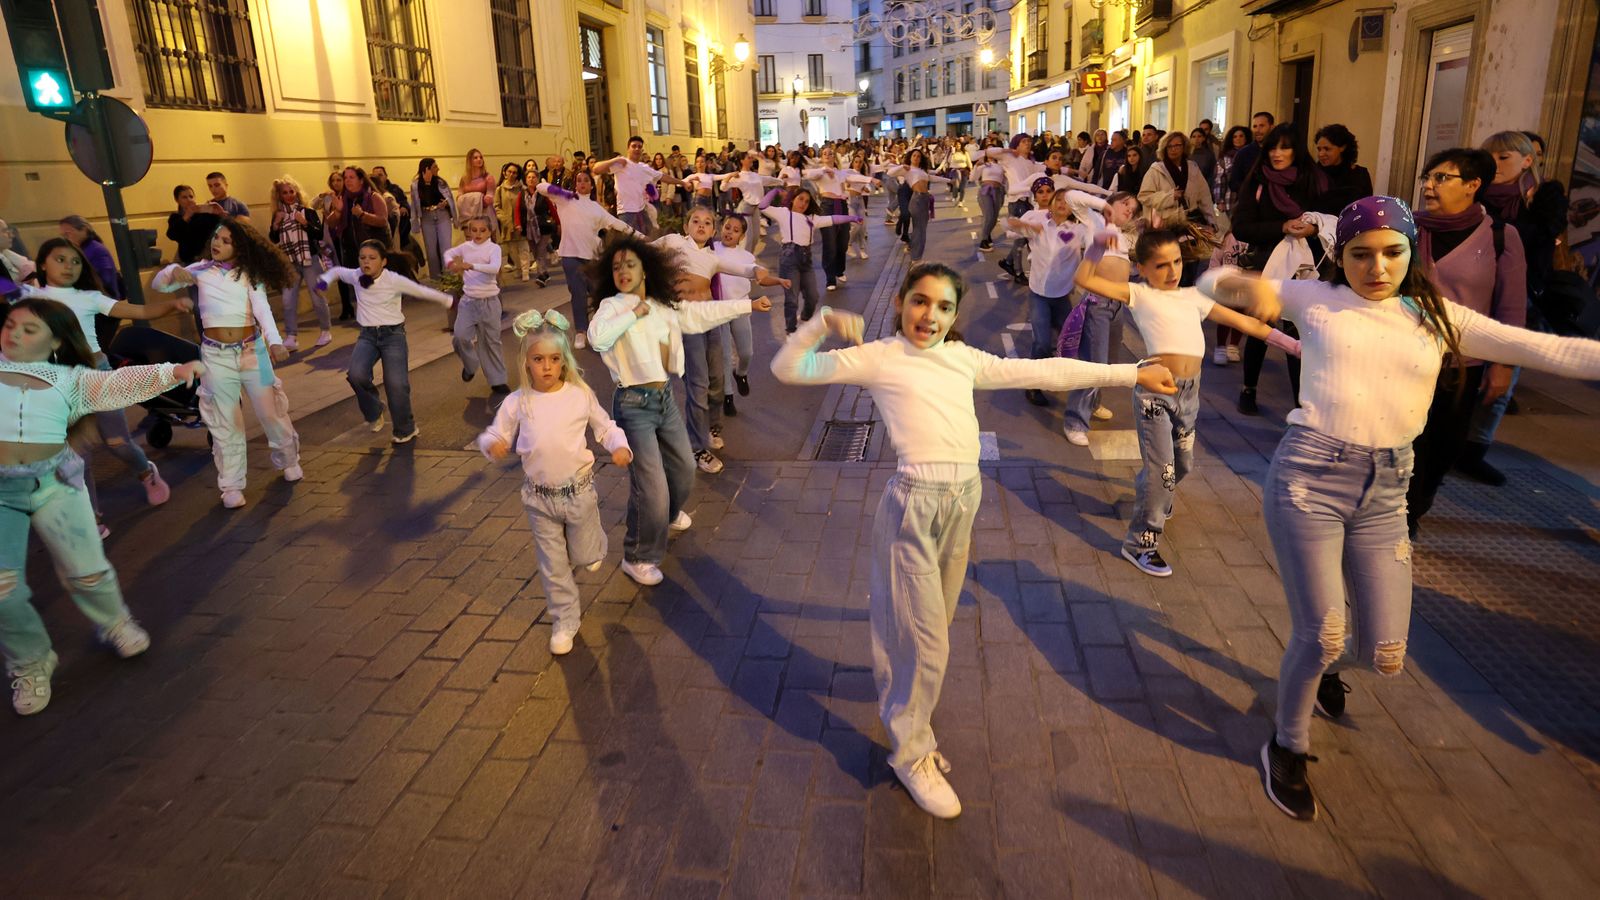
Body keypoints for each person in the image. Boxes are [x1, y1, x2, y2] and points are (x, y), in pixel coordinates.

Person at [1200, 196, 1600, 822]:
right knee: (1324, 629)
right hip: (1310, 479)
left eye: (1392, 252)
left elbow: (1544, 350)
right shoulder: (1317, 299)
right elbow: (1220, 285)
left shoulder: (1438, 316)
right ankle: (1287, 743)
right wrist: (1226, 279)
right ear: (1343, 255)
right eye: (1361, 254)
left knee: (1385, 651)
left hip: (1388, 492)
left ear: (1412, 253)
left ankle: (1321, 672)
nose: (1377, 266)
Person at [771, 262, 1177, 819]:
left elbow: (1048, 369)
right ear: (900, 304)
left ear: (955, 315)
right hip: (913, 507)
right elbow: (788, 368)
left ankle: (909, 718)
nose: (928, 315)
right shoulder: (881, 356)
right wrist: (820, 322)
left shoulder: (964, 359)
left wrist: (1132, 374)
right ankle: (910, 752)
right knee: (926, 644)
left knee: (926, 631)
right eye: (919, 301)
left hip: (963, 504)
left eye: (942, 307)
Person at [0, 297, 206, 715]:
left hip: (54, 486)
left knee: (89, 573)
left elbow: (119, 384)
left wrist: (175, 371)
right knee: (2, 590)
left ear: (56, 340)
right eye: (9, 324)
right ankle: (30, 662)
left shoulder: (72, 379)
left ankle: (114, 622)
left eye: (29, 329)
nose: (13, 333)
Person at [1075, 230, 1296, 576]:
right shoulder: (1139, 293)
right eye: (1161, 265)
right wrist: (1097, 248)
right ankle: (1140, 544)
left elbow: (1246, 322)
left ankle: (1152, 492)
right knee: (1163, 476)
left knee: (1183, 465)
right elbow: (1084, 279)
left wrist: (1297, 347)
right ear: (1143, 269)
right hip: (1154, 394)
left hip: (1189, 394)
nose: (1172, 270)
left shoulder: (1194, 296)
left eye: (1177, 261)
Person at [586, 234, 770, 587]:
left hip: (664, 400)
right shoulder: (611, 307)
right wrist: (631, 313)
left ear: (645, 270)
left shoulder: (660, 304)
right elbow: (598, 339)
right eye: (617, 266)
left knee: (685, 470)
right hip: (632, 405)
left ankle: (666, 516)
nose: (624, 270)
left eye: (631, 264)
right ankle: (637, 556)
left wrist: (748, 306)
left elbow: (698, 314)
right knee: (650, 485)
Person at [480, 309, 631, 656]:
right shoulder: (518, 402)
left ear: (563, 361)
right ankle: (565, 620)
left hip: (579, 494)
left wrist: (619, 446)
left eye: (553, 359)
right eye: (538, 359)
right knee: (553, 566)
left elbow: (605, 427)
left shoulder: (579, 394)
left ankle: (594, 544)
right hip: (538, 500)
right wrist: (493, 444)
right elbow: (495, 433)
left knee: (584, 555)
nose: (546, 366)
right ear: (526, 362)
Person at [1403, 148, 1527, 536]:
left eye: (1442, 178)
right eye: (1427, 177)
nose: (1428, 185)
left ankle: (1419, 501)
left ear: (1473, 185)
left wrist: (1503, 365)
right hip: (1406, 355)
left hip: (1462, 363)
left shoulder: (1501, 236)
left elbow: (1511, 307)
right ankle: (1403, 514)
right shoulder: (1408, 228)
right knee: (1408, 439)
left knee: (1446, 443)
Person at [23, 238, 189, 519]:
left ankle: (146, 472)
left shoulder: (90, 298)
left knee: (118, 444)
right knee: (76, 455)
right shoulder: (31, 297)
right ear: (42, 263)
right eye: (59, 259)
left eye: (75, 261)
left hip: (97, 374)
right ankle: (91, 517)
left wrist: (172, 304)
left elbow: (140, 311)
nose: (69, 266)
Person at [152, 218, 301, 509]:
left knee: (271, 413)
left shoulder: (249, 275)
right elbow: (161, 285)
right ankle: (231, 486)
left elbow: (262, 309)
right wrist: (173, 271)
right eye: (216, 238)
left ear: (241, 248)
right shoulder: (201, 270)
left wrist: (274, 341)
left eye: (226, 240)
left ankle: (288, 459)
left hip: (252, 352)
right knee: (226, 422)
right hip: (216, 356)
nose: (217, 243)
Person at [1457, 130, 1573, 484]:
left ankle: (1474, 451)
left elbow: (1541, 233)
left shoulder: (1545, 193)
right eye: (1490, 156)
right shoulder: (1477, 194)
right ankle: (1448, 443)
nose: (1496, 164)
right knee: (1463, 374)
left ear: (1527, 160)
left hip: (1520, 296)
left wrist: (1496, 225)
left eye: (1504, 156)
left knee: (1502, 381)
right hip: (1475, 294)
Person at [1231, 122, 1335, 415]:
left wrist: (1313, 229)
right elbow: (1241, 227)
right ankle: (1248, 389)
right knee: (1260, 327)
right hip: (1267, 266)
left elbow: (1332, 221)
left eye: (1285, 147)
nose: (1277, 153)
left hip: (1306, 269)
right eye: (1273, 147)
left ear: (1296, 150)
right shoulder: (1258, 181)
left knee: (1298, 332)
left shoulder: (1314, 180)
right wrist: (1281, 227)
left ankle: (1300, 403)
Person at [319, 239, 452, 444]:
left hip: (393, 336)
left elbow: (420, 291)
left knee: (397, 385)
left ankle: (405, 429)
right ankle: (374, 410)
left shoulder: (394, 280)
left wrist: (448, 300)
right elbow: (336, 270)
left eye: (372, 258)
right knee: (356, 375)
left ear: (383, 262)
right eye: (362, 258)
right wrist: (324, 280)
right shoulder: (356, 275)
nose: (366, 262)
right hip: (367, 336)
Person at [1061, 191, 1142, 446]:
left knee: (1107, 362)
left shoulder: (1128, 235)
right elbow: (1071, 197)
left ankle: (1093, 403)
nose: (1129, 209)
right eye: (1125, 203)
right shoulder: (1094, 222)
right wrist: (1103, 205)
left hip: (1118, 307)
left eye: (1134, 208)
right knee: (1093, 363)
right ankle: (1075, 421)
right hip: (1097, 304)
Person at [1006, 187, 1093, 407]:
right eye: (1059, 200)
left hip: (1062, 295)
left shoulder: (1078, 230)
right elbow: (1007, 227)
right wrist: (1019, 223)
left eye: (1068, 201)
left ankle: (1064, 378)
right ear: (1051, 203)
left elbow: (1098, 238)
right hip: (1039, 294)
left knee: (1070, 341)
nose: (1062, 204)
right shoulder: (1040, 226)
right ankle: (1033, 385)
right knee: (1042, 342)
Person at [540, 173, 640, 348]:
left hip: (592, 257)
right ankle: (581, 331)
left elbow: (617, 224)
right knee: (577, 293)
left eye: (586, 180)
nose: (582, 183)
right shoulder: (566, 200)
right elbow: (542, 188)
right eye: (578, 180)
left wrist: (640, 236)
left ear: (592, 186)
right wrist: (561, 191)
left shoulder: (596, 208)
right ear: (575, 184)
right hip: (570, 256)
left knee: (599, 293)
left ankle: (605, 327)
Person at [711, 214, 788, 419]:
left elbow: (761, 279)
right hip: (718, 309)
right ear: (721, 228)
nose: (730, 232)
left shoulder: (747, 258)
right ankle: (728, 396)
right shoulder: (711, 250)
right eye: (727, 227)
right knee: (725, 355)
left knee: (746, 353)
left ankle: (741, 374)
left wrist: (779, 281)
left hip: (742, 307)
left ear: (742, 236)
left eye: (736, 230)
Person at [759, 186, 860, 333]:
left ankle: (805, 318)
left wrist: (853, 218)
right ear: (793, 199)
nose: (803, 203)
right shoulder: (784, 213)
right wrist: (774, 191)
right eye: (800, 199)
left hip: (806, 259)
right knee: (792, 298)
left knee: (813, 296)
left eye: (806, 201)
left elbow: (832, 219)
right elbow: (762, 206)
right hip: (789, 256)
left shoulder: (812, 218)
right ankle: (791, 331)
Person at [445, 217, 510, 410]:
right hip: (468, 302)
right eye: (474, 230)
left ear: (489, 232)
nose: (478, 234)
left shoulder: (494, 249)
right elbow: (449, 253)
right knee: (460, 336)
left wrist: (471, 266)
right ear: (469, 231)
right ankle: (470, 365)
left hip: (490, 302)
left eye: (482, 230)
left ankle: (498, 380)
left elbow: (494, 268)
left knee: (491, 342)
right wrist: (451, 264)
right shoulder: (465, 247)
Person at [267, 176, 333, 351]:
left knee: (317, 297)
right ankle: (291, 337)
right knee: (288, 300)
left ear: (296, 193)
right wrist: (275, 224)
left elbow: (319, 234)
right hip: (290, 262)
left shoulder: (307, 212)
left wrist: (304, 223)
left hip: (310, 259)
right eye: (285, 193)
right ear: (279, 196)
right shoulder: (278, 215)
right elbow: (273, 239)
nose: (289, 195)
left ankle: (325, 331)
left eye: (291, 191)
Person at [324, 166, 391, 321]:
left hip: (372, 252)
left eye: (351, 177)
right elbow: (331, 223)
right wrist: (339, 211)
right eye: (345, 177)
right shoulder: (343, 200)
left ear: (361, 180)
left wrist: (362, 215)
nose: (347, 181)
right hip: (352, 251)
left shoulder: (373, 197)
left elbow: (382, 220)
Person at [56, 216, 123, 351]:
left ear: (84, 230)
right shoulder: (82, 250)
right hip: (94, 307)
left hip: (101, 310)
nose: (65, 238)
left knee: (97, 349)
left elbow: (105, 278)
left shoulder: (95, 250)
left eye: (68, 233)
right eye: (63, 235)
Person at [593, 136, 677, 236]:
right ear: (628, 148)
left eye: (639, 146)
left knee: (651, 239)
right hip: (626, 212)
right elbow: (596, 169)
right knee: (631, 244)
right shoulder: (621, 163)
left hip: (641, 211)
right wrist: (615, 160)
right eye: (634, 146)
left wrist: (683, 182)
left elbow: (663, 177)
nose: (637, 149)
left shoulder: (644, 167)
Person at [884, 149, 952, 262]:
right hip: (917, 199)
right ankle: (916, 257)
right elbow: (889, 173)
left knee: (920, 229)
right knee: (920, 230)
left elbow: (933, 178)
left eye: (918, 156)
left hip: (925, 199)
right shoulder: (907, 169)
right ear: (910, 157)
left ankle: (914, 251)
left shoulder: (922, 171)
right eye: (914, 156)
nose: (916, 158)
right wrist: (902, 166)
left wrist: (949, 180)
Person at [409, 158, 457, 282]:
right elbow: (414, 205)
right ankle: (436, 279)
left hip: (442, 215)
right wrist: (415, 224)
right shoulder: (416, 185)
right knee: (431, 251)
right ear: (427, 169)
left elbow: (450, 199)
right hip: (426, 217)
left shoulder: (441, 182)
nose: (438, 169)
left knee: (445, 247)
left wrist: (445, 204)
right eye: (435, 167)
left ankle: (449, 278)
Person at [1314, 124, 1374, 210]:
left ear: (1342, 147)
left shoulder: (1360, 175)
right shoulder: (1313, 174)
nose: (1321, 154)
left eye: (1327, 149)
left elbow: (1367, 209)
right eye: (1319, 149)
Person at [1228, 112, 1276, 198]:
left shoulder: (1278, 152)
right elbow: (1234, 182)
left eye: (1261, 126)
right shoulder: (1243, 153)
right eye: (1255, 126)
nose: (1257, 130)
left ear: (1271, 127)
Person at [456, 149, 493, 227]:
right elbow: (459, 198)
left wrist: (473, 199)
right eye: (475, 158)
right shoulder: (464, 179)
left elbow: (489, 198)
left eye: (480, 157)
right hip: (468, 215)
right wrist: (477, 197)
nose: (479, 159)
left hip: (484, 214)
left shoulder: (488, 178)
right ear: (469, 161)